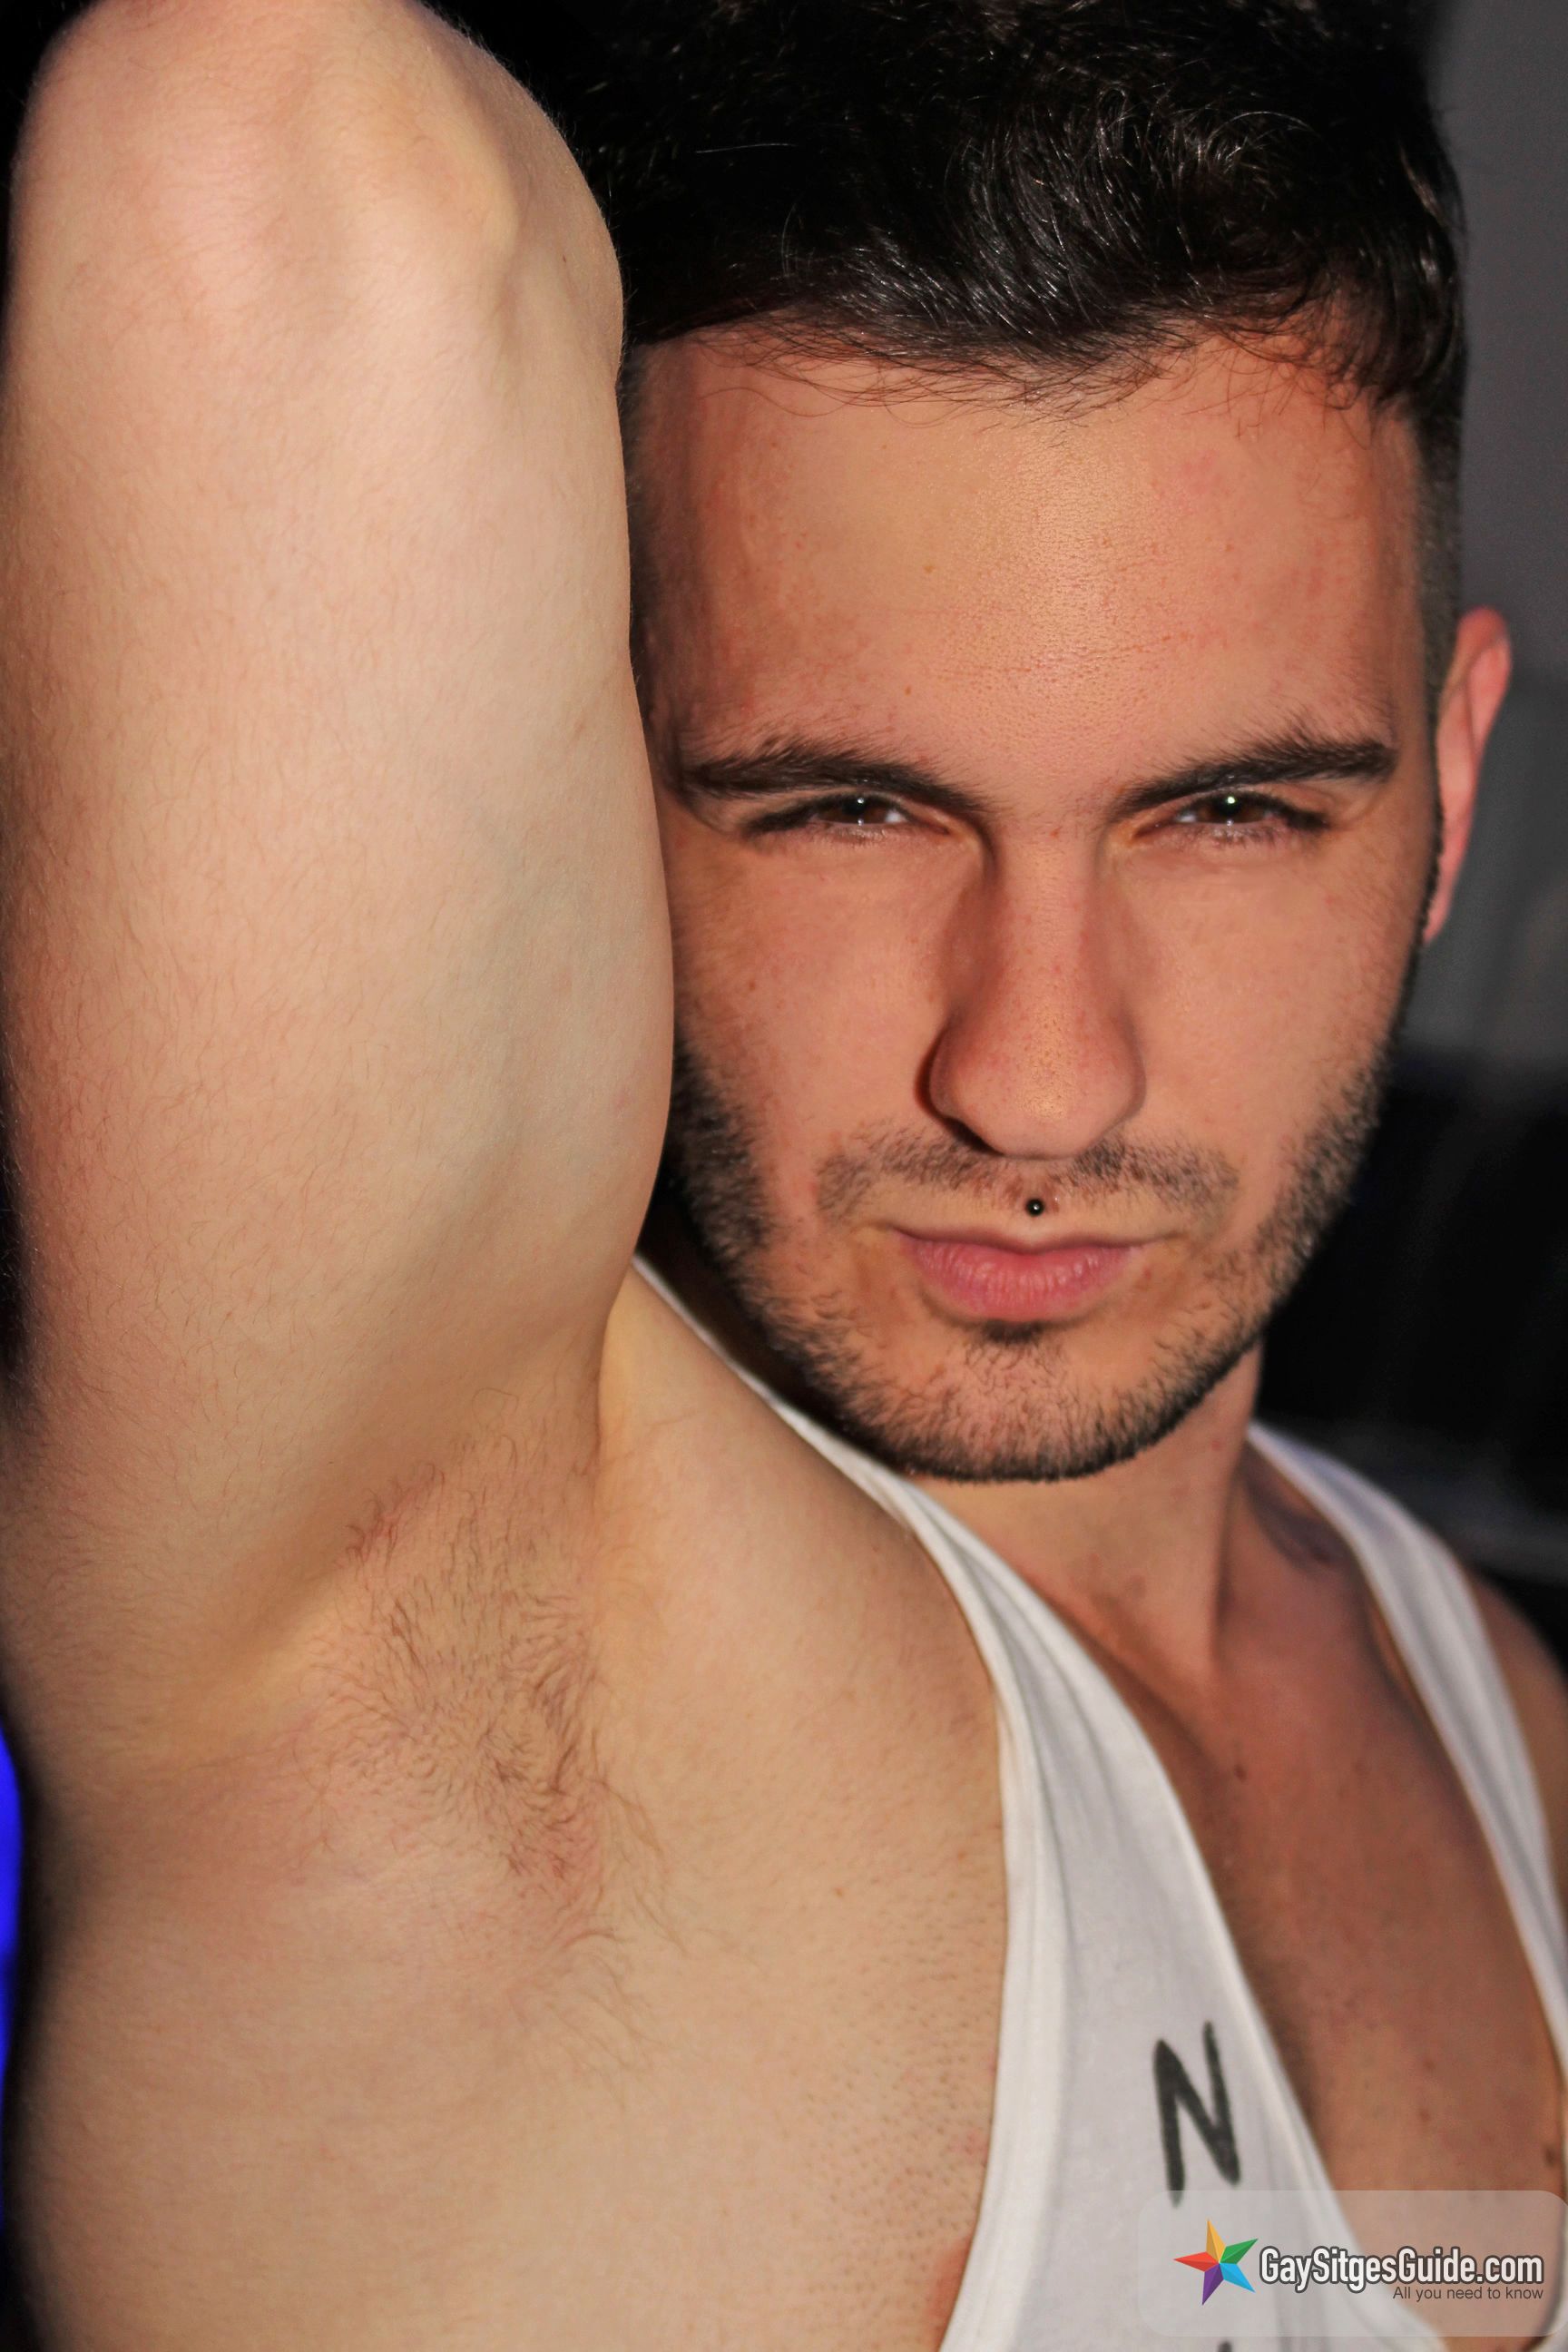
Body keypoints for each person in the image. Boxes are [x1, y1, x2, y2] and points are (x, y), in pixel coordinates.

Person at [0, 6, 1560, 2352]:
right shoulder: (451, 1700)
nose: (1035, 1083)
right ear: (593, 767)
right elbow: (244, 119)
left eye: (1231, 812)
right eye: (849, 808)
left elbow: (1283, 2281)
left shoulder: (1494, 1714)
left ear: (1450, 782)